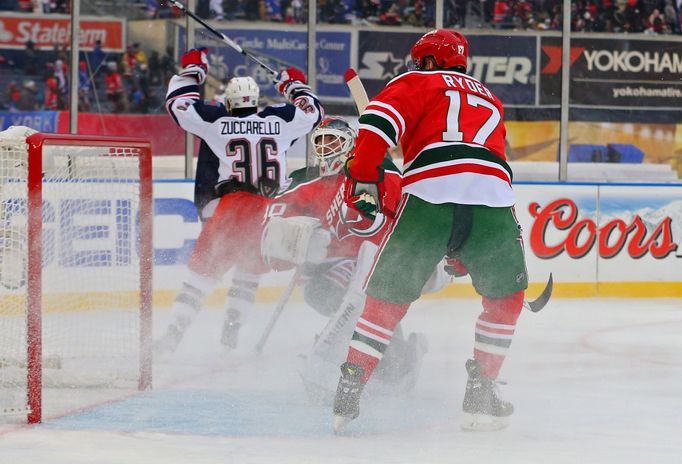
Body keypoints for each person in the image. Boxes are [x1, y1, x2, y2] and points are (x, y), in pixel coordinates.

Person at [332, 29, 529, 433]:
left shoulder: (413, 81)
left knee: (386, 299)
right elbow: (490, 156)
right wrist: (461, 247)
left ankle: (351, 384)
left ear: (426, 60)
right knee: (506, 297)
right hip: (492, 197)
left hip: (430, 192)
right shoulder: (489, 96)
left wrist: (364, 178)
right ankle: (481, 391)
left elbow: (374, 130)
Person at [155, 47, 324, 355]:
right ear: (256, 101)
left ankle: (174, 332)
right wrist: (294, 86)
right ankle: (231, 334)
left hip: (231, 207)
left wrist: (194, 71)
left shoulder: (219, 123)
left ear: (230, 102)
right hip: (269, 211)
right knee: (248, 272)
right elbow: (314, 112)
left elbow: (178, 105)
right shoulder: (280, 121)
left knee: (202, 274)